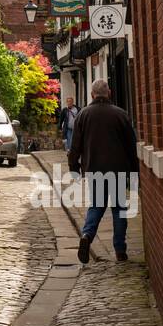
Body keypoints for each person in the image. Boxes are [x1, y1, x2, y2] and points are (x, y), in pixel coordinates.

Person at [68, 79, 138, 264]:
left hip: (94, 168)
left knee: (97, 206)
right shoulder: (120, 115)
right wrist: (135, 171)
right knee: (119, 209)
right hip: (118, 169)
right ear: (110, 93)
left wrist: (74, 169)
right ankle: (120, 250)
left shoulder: (83, 115)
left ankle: (87, 235)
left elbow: (74, 147)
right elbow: (131, 146)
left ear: (92, 95)